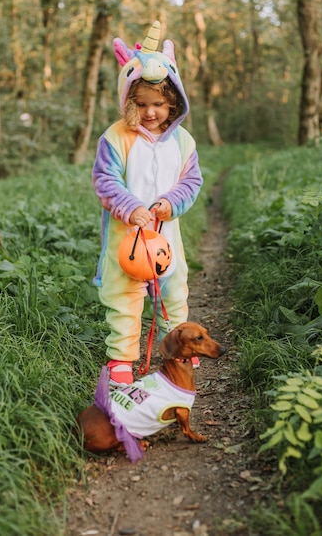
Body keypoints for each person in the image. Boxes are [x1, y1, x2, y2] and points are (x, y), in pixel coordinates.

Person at [92, 21, 203, 386]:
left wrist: (172, 202)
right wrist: (129, 206)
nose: (150, 112)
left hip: (166, 237)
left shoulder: (183, 142)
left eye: (158, 104)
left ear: (173, 101)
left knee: (173, 292)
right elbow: (105, 180)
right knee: (124, 297)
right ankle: (122, 357)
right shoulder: (116, 137)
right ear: (128, 102)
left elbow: (192, 180)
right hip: (126, 239)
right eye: (140, 104)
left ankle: (180, 347)